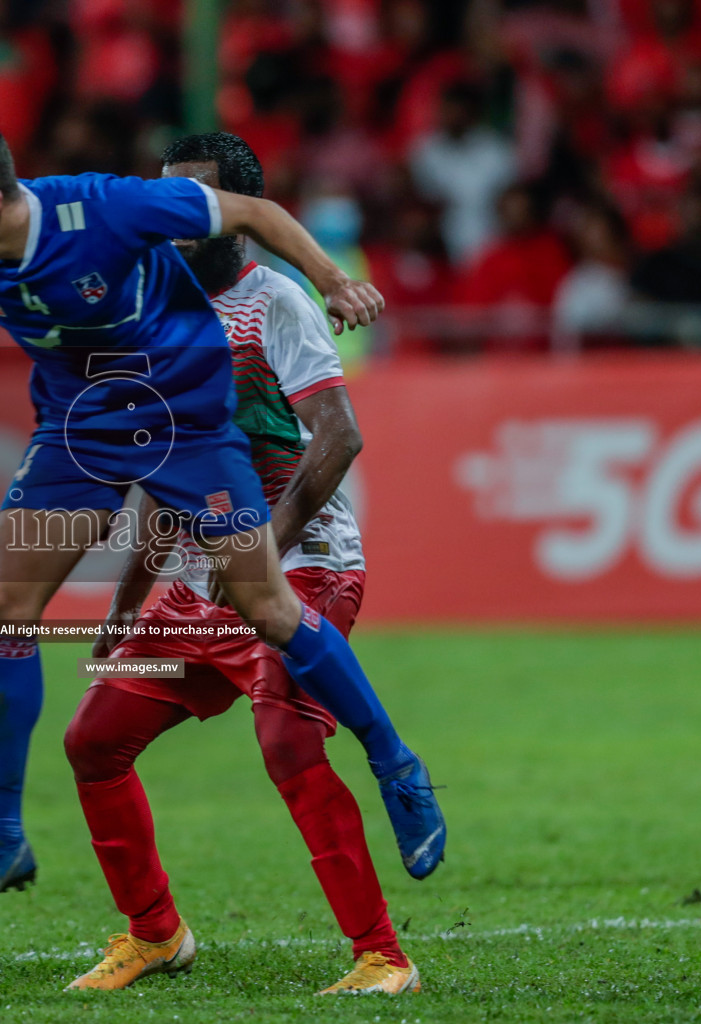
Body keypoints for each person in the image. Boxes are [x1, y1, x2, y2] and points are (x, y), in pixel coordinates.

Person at [0, 104, 445, 930]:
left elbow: (254, 212)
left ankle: (395, 763)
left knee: (268, 607)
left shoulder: (106, 209)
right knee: (7, 610)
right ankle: (1, 836)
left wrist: (335, 279)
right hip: (80, 426)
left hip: (185, 419)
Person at [61, 132, 419, 996]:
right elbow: (161, 479)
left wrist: (267, 545)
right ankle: (155, 934)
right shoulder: (154, 320)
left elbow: (339, 437)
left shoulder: (277, 303)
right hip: (193, 581)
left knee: (286, 737)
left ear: (238, 217)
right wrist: (125, 610)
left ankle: (382, 956)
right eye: (170, 198)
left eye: (201, 201)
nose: (180, 217)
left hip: (305, 566)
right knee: (93, 741)